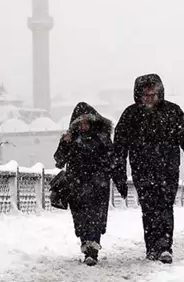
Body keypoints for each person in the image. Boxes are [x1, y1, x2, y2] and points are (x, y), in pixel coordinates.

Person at [113, 74, 184, 264]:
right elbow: (119, 146)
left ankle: (164, 246)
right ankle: (151, 247)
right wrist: (118, 172)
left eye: (153, 95)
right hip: (142, 169)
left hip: (167, 169)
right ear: (139, 95)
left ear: (159, 94)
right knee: (149, 208)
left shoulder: (172, 112)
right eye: (146, 95)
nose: (150, 99)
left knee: (165, 206)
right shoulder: (130, 115)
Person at [54, 102, 128, 266]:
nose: (83, 126)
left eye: (86, 122)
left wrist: (120, 182)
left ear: (94, 122)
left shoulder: (102, 139)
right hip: (76, 186)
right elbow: (59, 161)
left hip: (98, 186)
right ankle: (86, 244)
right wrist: (65, 143)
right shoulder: (71, 139)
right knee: (80, 219)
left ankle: (92, 250)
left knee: (95, 217)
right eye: (80, 123)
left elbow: (113, 162)